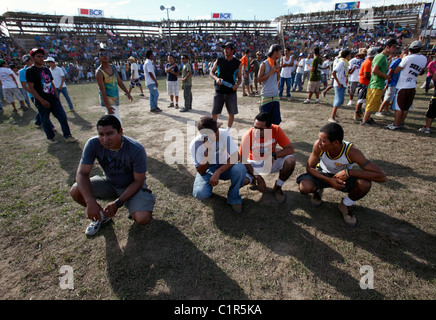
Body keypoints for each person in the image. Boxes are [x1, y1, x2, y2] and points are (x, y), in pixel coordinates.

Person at [69, 115, 155, 236]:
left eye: (110, 134)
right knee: (75, 190)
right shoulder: (93, 144)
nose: (105, 139)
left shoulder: (136, 149)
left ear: (121, 131)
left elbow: (138, 181)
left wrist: (117, 203)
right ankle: (101, 217)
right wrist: (90, 202)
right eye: (101, 134)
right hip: (109, 183)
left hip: (132, 187)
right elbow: (82, 173)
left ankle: (144, 199)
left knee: (142, 218)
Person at [296, 122, 386, 227]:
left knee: (364, 184)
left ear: (335, 143)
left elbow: (381, 176)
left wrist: (349, 172)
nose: (319, 142)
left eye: (323, 141)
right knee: (305, 187)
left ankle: (345, 205)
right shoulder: (318, 146)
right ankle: (317, 191)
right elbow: (309, 168)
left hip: (343, 177)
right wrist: (329, 180)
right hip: (323, 173)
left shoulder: (352, 152)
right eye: (319, 139)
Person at [190, 116, 248, 213]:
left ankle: (234, 199)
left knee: (240, 168)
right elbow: (201, 171)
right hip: (207, 169)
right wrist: (208, 150)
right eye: (213, 132)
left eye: (216, 129)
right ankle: (208, 186)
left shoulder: (224, 133)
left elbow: (235, 156)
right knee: (200, 194)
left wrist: (218, 172)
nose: (217, 133)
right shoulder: (195, 145)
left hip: (224, 166)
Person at [239, 112, 296, 204]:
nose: (256, 131)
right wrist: (258, 177)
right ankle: (252, 179)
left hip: (270, 161)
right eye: (255, 127)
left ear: (269, 127)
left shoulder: (276, 130)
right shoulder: (248, 135)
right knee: (240, 181)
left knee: (290, 160)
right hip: (253, 163)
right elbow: (242, 159)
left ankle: (277, 188)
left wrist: (273, 155)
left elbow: (290, 149)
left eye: (260, 129)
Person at [25, 48, 77, 144]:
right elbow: (31, 88)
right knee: (45, 119)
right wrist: (41, 100)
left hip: (53, 98)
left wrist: (56, 95)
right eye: (38, 56)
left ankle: (68, 136)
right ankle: (50, 137)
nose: (41, 58)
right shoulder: (30, 71)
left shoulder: (46, 69)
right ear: (32, 58)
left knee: (62, 117)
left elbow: (51, 82)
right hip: (42, 100)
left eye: (42, 56)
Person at [385, 41, 427, 130]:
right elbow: (420, 72)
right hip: (412, 85)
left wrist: (401, 58)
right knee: (406, 107)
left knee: (398, 107)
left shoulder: (407, 58)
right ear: (420, 49)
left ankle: (396, 124)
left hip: (402, 86)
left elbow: (396, 70)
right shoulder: (424, 58)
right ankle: (401, 123)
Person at [361, 39, 399, 126]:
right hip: (376, 83)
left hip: (376, 83)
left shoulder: (382, 57)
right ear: (387, 47)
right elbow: (375, 70)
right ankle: (365, 120)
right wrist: (386, 76)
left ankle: (368, 118)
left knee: (372, 103)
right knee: (371, 103)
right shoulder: (381, 56)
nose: (394, 49)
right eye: (393, 47)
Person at [209, 42, 242, 130]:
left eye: (227, 48)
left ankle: (228, 131)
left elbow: (240, 78)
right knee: (214, 112)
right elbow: (211, 72)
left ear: (232, 50)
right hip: (219, 90)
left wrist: (237, 85)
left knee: (231, 113)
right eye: (224, 48)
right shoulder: (219, 60)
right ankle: (214, 130)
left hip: (231, 92)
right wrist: (216, 79)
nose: (225, 50)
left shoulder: (237, 63)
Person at [95, 48, 133, 125]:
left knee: (110, 122)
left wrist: (127, 93)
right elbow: (102, 90)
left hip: (114, 99)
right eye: (101, 55)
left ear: (109, 56)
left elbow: (119, 82)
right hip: (108, 101)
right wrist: (108, 107)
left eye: (106, 54)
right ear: (99, 58)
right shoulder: (99, 72)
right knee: (118, 123)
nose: (104, 56)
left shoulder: (112, 67)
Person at [376, 48, 408, 117]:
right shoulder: (397, 61)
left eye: (407, 53)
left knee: (390, 98)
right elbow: (390, 71)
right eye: (404, 53)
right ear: (400, 54)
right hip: (391, 82)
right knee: (387, 98)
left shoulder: (402, 61)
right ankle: (379, 111)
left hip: (395, 82)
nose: (406, 55)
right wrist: (387, 82)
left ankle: (386, 110)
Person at [258, 44, 283, 125]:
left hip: (275, 96)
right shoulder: (264, 64)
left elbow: (277, 79)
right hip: (266, 97)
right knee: (264, 122)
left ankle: (272, 137)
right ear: (275, 52)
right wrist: (270, 73)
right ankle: (264, 137)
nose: (281, 54)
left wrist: (277, 70)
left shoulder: (275, 64)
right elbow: (258, 79)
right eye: (280, 52)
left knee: (276, 122)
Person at [354, 47, 377, 121]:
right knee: (361, 99)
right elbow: (366, 75)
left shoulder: (368, 61)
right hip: (364, 82)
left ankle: (359, 113)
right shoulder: (368, 62)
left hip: (365, 82)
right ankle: (357, 114)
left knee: (363, 99)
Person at [329, 49, 351, 123]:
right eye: (349, 55)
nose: (350, 56)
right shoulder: (341, 62)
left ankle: (334, 113)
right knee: (338, 100)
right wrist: (338, 82)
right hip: (339, 84)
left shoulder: (345, 63)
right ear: (347, 55)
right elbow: (334, 72)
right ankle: (332, 117)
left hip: (343, 83)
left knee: (340, 101)